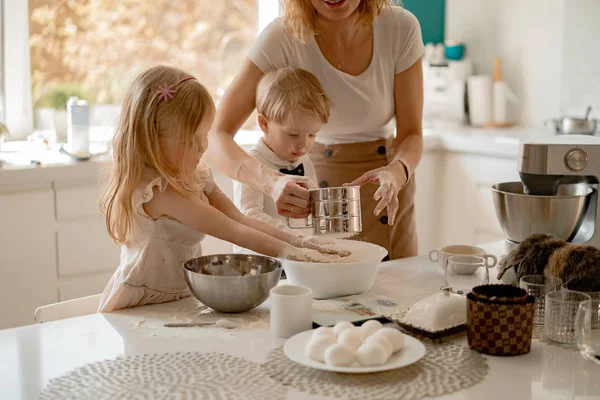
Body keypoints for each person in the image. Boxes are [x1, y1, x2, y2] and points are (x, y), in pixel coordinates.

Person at [98, 65, 345, 312]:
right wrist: (300, 256)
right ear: (149, 138)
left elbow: (238, 217)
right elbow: (233, 230)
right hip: (142, 301)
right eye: (188, 140)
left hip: (181, 295)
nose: (203, 147)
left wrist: (305, 244)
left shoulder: (195, 174)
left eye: (205, 135)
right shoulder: (158, 193)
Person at [206, 0, 425, 260]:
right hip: (322, 181)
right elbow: (214, 137)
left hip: (387, 190)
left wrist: (397, 171)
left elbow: (412, 133)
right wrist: (271, 182)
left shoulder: (400, 27)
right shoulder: (282, 37)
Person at [233, 67, 331, 246]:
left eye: (312, 135)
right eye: (293, 135)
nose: (303, 145)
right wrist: (293, 238)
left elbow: (315, 209)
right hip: (262, 258)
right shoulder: (250, 164)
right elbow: (249, 215)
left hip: (300, 252)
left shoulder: (304, 160)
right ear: (264, 123)